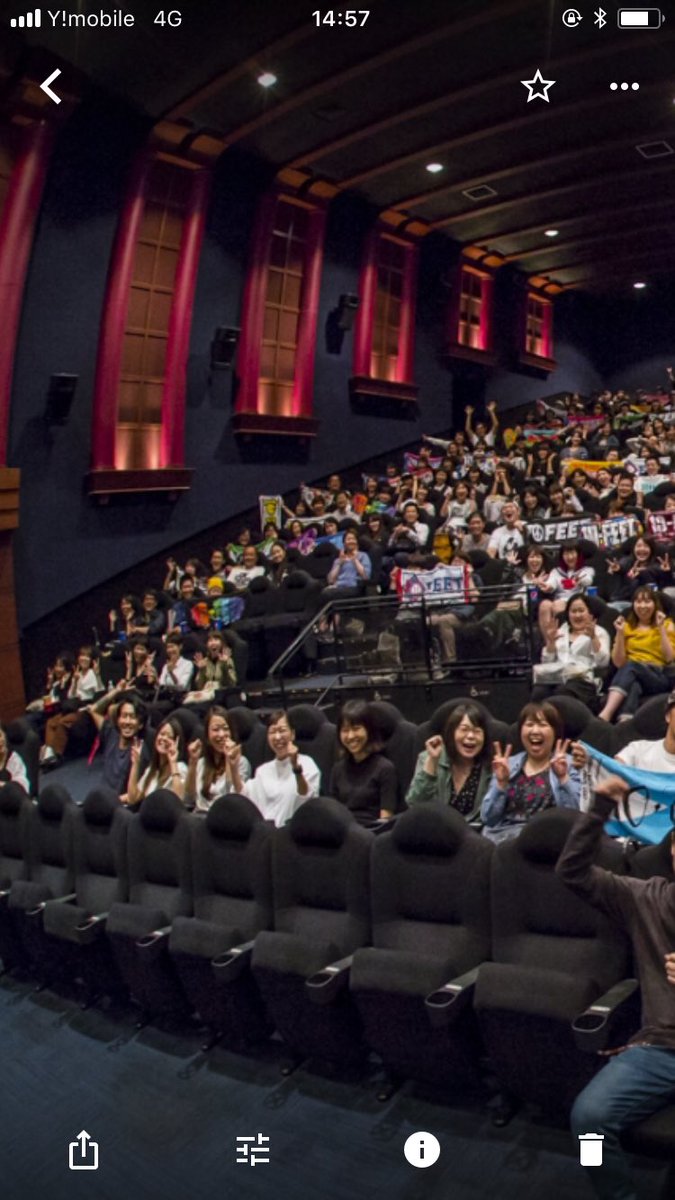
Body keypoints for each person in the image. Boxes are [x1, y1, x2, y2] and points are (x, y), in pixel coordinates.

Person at [558, 774, 675, 1200]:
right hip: (659, 1049)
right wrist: (599, 808)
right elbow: (571, 871)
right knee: (586, 1122)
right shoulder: (645, 897)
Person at [480, 702, 582, 843]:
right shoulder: (507, 764)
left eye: (542, 724)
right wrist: (500, 784)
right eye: (529, 725)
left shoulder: (569, 765)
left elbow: (577, 816)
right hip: (505, 841)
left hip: (548, 839)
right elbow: (488, 818)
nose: (535, 731)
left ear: (555, 732)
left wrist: (563, 778)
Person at [598, 587, 675, 722]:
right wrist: (620, 633)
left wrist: (661, 627)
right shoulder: (626, 627)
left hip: (657, 676)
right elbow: (618, 663)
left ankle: (605, 714)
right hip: (630, 674)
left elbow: (669, 658)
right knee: (633, 685)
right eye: (638, 602)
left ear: (655, 604)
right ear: (633, 605)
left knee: (631, 666)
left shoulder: (667, 625)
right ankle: (625, 723)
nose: (642, 606)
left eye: (647, 601)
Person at [406, 703, 492, 821]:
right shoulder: (429, 757)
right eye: (464, 730)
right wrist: (432, 761)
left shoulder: (491, 766)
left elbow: (493, 815)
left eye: (477, 731)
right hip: (436, 829)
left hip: (474, 834)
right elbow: (415, 804)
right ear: (451, 733)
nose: (471, 736)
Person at [236, 710, 320, 827]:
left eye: (282, 730)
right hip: (266, 835)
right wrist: (233, 766)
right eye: (272, 732)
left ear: (293, 734)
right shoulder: (262, 771)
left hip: (294, 833)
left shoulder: (307, 763)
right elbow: (244, 794)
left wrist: (296, 767)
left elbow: (306, 797)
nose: (277, 737)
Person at [534, 594, 611, 712]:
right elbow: (547, 662)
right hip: (557, 677)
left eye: (581, 611)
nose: (577, 615)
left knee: (561, 692)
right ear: (568, 614)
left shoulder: (599, 632)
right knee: (539, 692)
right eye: (573, 611)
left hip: (582, 681)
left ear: (590, 613)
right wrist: (550, 643)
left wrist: (593, 638)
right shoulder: (560, 631)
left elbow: (603, 663)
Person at [328, 700, 397, 824]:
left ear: (369, 730)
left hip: (373, 833)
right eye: (345, 730)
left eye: (356, 729)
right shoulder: (337, 769)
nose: (350, 736)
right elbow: (333, 814)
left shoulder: (385, 768)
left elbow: (386, 820)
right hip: (343, 834)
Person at [41, 646, 101, 768]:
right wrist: (74, 681)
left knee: (63, 722)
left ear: (91, 660)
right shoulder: (77, 674)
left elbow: (99, 692)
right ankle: (49, 753)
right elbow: (71, 695)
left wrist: (97, 675)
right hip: (74, 706)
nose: (83, 658)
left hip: (85, 709)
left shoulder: (91, 673)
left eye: (86, 656)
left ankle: (57, 755)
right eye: (81, 655)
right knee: (51, 722)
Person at [185, 706, 251, 812]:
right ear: (207, 735)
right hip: (200, 819)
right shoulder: (201, 763)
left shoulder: (242, 763)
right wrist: (193, 762)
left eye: (225, 729)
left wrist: (230, 762)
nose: (221, 734)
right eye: (216, 729)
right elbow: (188, 800)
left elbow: (233, 798)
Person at [87, 692, 146, 801]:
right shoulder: (111, 733)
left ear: (140, 724)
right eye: (124, 716)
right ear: (118, 720)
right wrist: (117, 691)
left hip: (119, 806)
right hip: (101, 797)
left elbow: (137, 794)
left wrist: (112, 802)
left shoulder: (141, 750)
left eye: (132, 717)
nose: (127, 722)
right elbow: (93, 710)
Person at [126, 717, 187, 808]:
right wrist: (135, 763)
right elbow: (132, 799)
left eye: (170, 737)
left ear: (177, 743)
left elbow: (179, 799)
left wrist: (173, 762)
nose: (164, 738)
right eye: (162, 734)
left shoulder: (180, 768)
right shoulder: (152, 769)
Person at [324, 529, 371, 595]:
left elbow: (366, 576)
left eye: (353, 539)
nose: (351, 541)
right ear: (344, 543)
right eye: (348, 539)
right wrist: (340, 564)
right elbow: (330, 580)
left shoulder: (363, 556)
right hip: (338, 587)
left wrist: (355, 560)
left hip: (354, 587)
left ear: (357, 541)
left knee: (327, 594)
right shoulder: (338, 559)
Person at [0, 722, 30, 792]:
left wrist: (3, 785)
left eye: (0, 736)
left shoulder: (13, 759)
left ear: (4, 735)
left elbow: (23, 787)